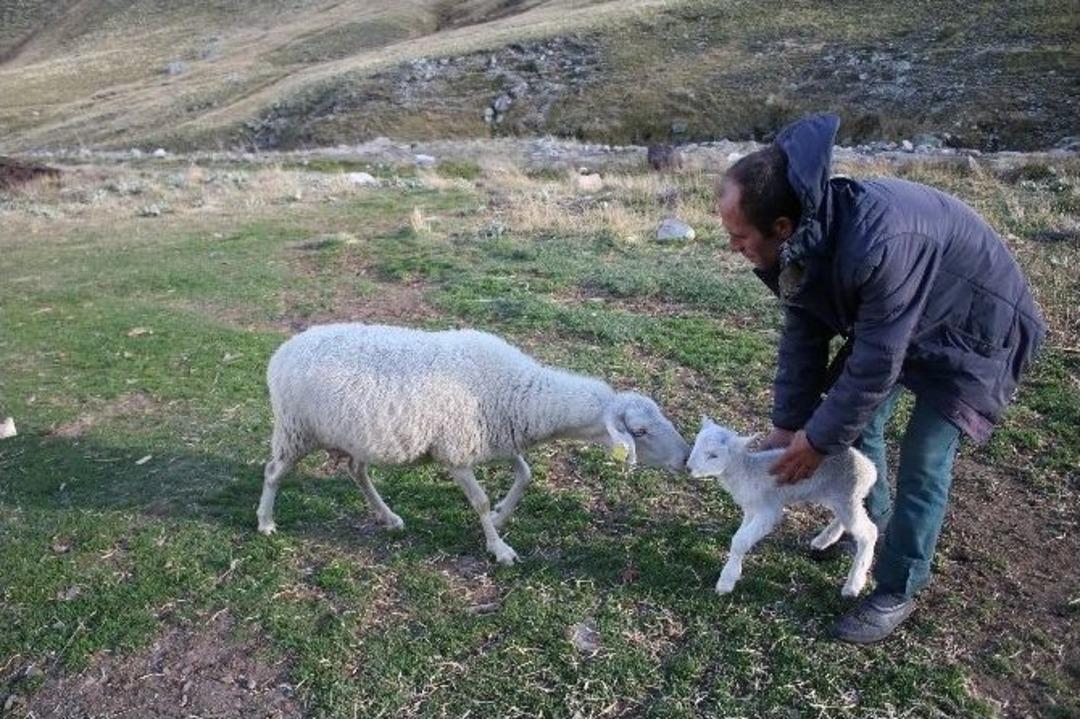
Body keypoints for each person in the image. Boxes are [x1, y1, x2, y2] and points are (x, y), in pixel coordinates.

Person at [715, 113, 1046, 643]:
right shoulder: (802, 242)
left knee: (926, 456)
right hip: (908, 317)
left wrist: (818, 441)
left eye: (739, 236)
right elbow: (804, 335)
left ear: (781, 227)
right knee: (855, 426)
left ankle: (898, 587)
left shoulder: (876, 243)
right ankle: (873, 524)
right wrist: (787, 427)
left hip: (977, 327)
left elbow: (874, 364)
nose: (733, 247)